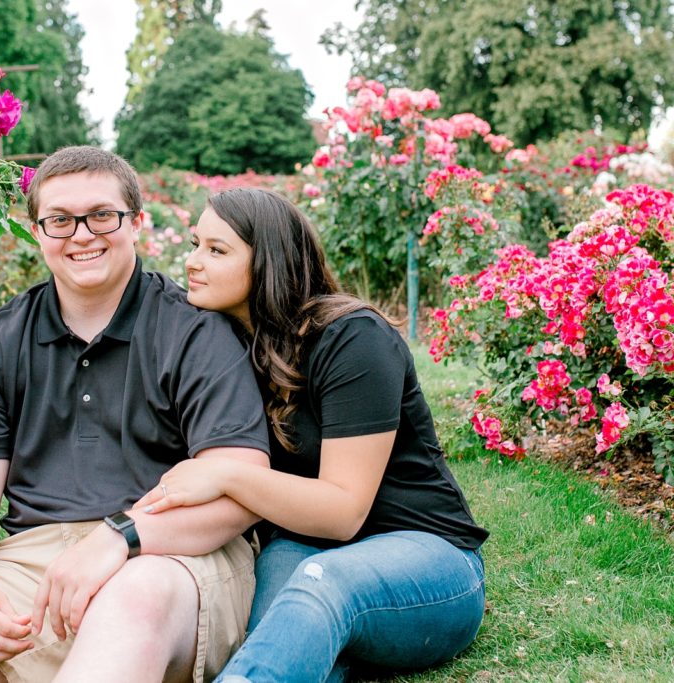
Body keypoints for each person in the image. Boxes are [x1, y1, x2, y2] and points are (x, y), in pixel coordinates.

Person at [0, 147, 270, 683]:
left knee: (132, 603)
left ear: (137, 222)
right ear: (37, 231)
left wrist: (120, 537)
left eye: (102, 215)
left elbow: (242, 490)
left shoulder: (197, 332)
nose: (82, 234)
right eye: (60, 220)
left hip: (173, 557)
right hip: (33, 561)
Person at [136, 187, 488, 683]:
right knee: (280, 629)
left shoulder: (351, 339)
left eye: (217, 250)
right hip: (302, 547)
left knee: (321, 588)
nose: (192, 262)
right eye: (195, 244)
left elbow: (344, 512)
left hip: (426, 557)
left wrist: (225, 475)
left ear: (269, 263)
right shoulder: (223, 346)